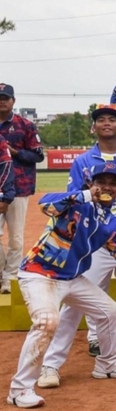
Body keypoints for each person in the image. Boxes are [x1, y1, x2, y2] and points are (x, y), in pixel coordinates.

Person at [7, 164, 116, 408]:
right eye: (101, 182)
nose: (107, 187)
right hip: (39, 273)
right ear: (91, 184)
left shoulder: (111, 222)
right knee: (46, 322)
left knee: (108, 311)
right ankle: (19, 390)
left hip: (72, 278)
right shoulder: (75, 203)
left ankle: (108, 365)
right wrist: (84, 195)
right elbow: (45, 204)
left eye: (113, 183)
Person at [66, 107, 116, 353]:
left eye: (112, 119)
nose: (107, 123)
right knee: (94, 284)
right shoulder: (83, 161)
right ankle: (95, 337)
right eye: (101, 120)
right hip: (96, 233)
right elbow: (73, 195)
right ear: (94, 127)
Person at [0, 83, 44, 295]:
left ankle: (10, 277)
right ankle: (2, 273)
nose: (2, 101)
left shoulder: (24, 125)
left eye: (5, 98)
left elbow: (38, 155)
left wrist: (14, 152)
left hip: (19, 188)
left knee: (16, 238)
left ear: (13, 101)